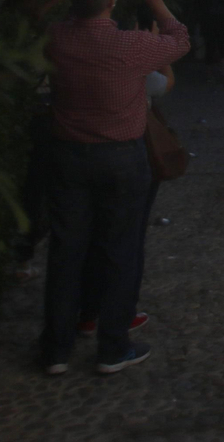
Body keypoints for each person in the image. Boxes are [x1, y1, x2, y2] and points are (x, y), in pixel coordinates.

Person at [40, 0, 190, 376]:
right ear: (111, 2)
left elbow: (61, 16)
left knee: (66, 251)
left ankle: (55, 349)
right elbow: (180, 40)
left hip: (68, 154)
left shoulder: (57, 39)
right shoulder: (131, 46)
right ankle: (112, 346)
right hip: (121, 157)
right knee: (119, 250)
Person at [75, 18, 176, 338]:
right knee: (127, 241)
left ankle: (87, 311)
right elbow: (165, 84)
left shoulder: (79, 55)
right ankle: (120, 317)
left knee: (93, 237)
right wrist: (160, 52)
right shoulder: (136, 62)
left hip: (85, 151)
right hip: (129, 154)